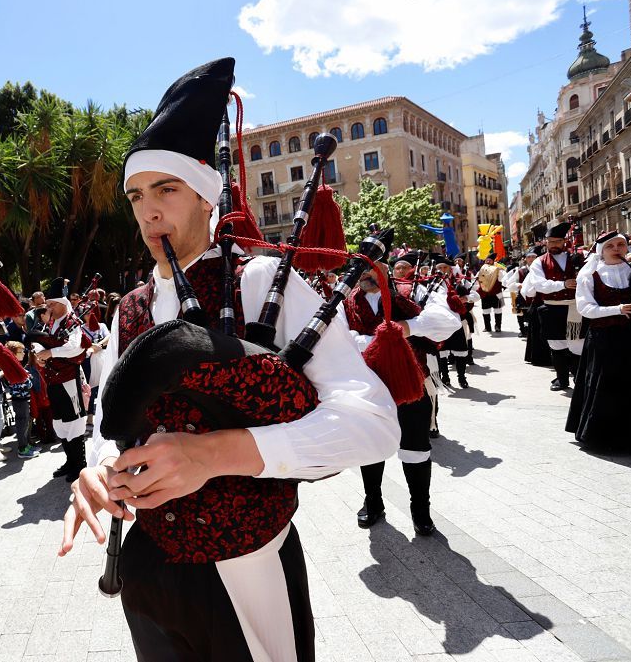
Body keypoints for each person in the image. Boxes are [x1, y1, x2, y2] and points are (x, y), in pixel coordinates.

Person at [60, 58, 399, 661]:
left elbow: (374, 422)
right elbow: (107, 420)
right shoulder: (129, 309)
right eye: (137, 194)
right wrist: (98, 469)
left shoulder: (258, 280)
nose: (148, 210)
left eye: (167, 189)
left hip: (246, 564)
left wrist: (214, 455)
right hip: (149, 565)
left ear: (206, 198)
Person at [345, 267, 460, 535]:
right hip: (369, 386)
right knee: (371, 446)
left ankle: (421, 510)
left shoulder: (411, 291)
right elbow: (338, 336)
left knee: (416, 449)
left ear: (384, 269)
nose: (364, 274)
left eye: (371, 267)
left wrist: (407, 328)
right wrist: (373, 340)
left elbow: (449, 321)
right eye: (360, 267)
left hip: (411, 386)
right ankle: (373, 503)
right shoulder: (347, 300)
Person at [566, 231, 631, 450]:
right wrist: (618, 309)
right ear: (601, 251)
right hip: (603, 340)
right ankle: (604, 438)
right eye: (610, 246)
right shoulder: (590, 275)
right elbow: (585, 308)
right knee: (605, 386)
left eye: (621, 245)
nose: (617, 249)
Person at [33, 277, 90, 483]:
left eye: (50, 304)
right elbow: (41, 342)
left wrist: (51, 352)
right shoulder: (52, 323)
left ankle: (80, 465)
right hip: (53, 380)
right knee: (60, 423)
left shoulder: (72, 322)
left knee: (74, 423)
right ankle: (70, 462)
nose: (47, 308)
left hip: (68, 380)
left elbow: (77, 347)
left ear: (62, 304)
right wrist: (40, 354)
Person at [527, 223, 585, 390]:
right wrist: (563, 284)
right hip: (552, 308)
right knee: (557, 345)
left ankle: (578, 379)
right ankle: (562, 379)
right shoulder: (539, 262)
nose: (553, 245)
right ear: (546, 242)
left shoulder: (576, 258)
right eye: (550, 241)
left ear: (564, 241)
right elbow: (540, 285)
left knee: (577, 345)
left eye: (557, 241)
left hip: (574, 307)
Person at [5, 341, 39, 459]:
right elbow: (24, 383)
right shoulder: (12, 367)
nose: (24, 353)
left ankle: (26, 444)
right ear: (13, 354)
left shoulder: (16, 365)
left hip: (23, 398)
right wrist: (28, 379)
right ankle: (22, 448)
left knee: (26, 422)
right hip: (19, 399)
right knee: (22, 423)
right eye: (21, 351)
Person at [476, 256, 506, 333]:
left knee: (498, 310)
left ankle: (498, 326)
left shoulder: (498, 270)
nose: (488, 262)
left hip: (497, 293)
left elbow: (503, 279)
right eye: (487, 260)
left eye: (490, 260)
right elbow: (477, 280)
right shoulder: (482, 270)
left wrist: (498, 271)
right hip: (485, 294)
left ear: (493, 261)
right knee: (485, 311)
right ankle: (487, 327)